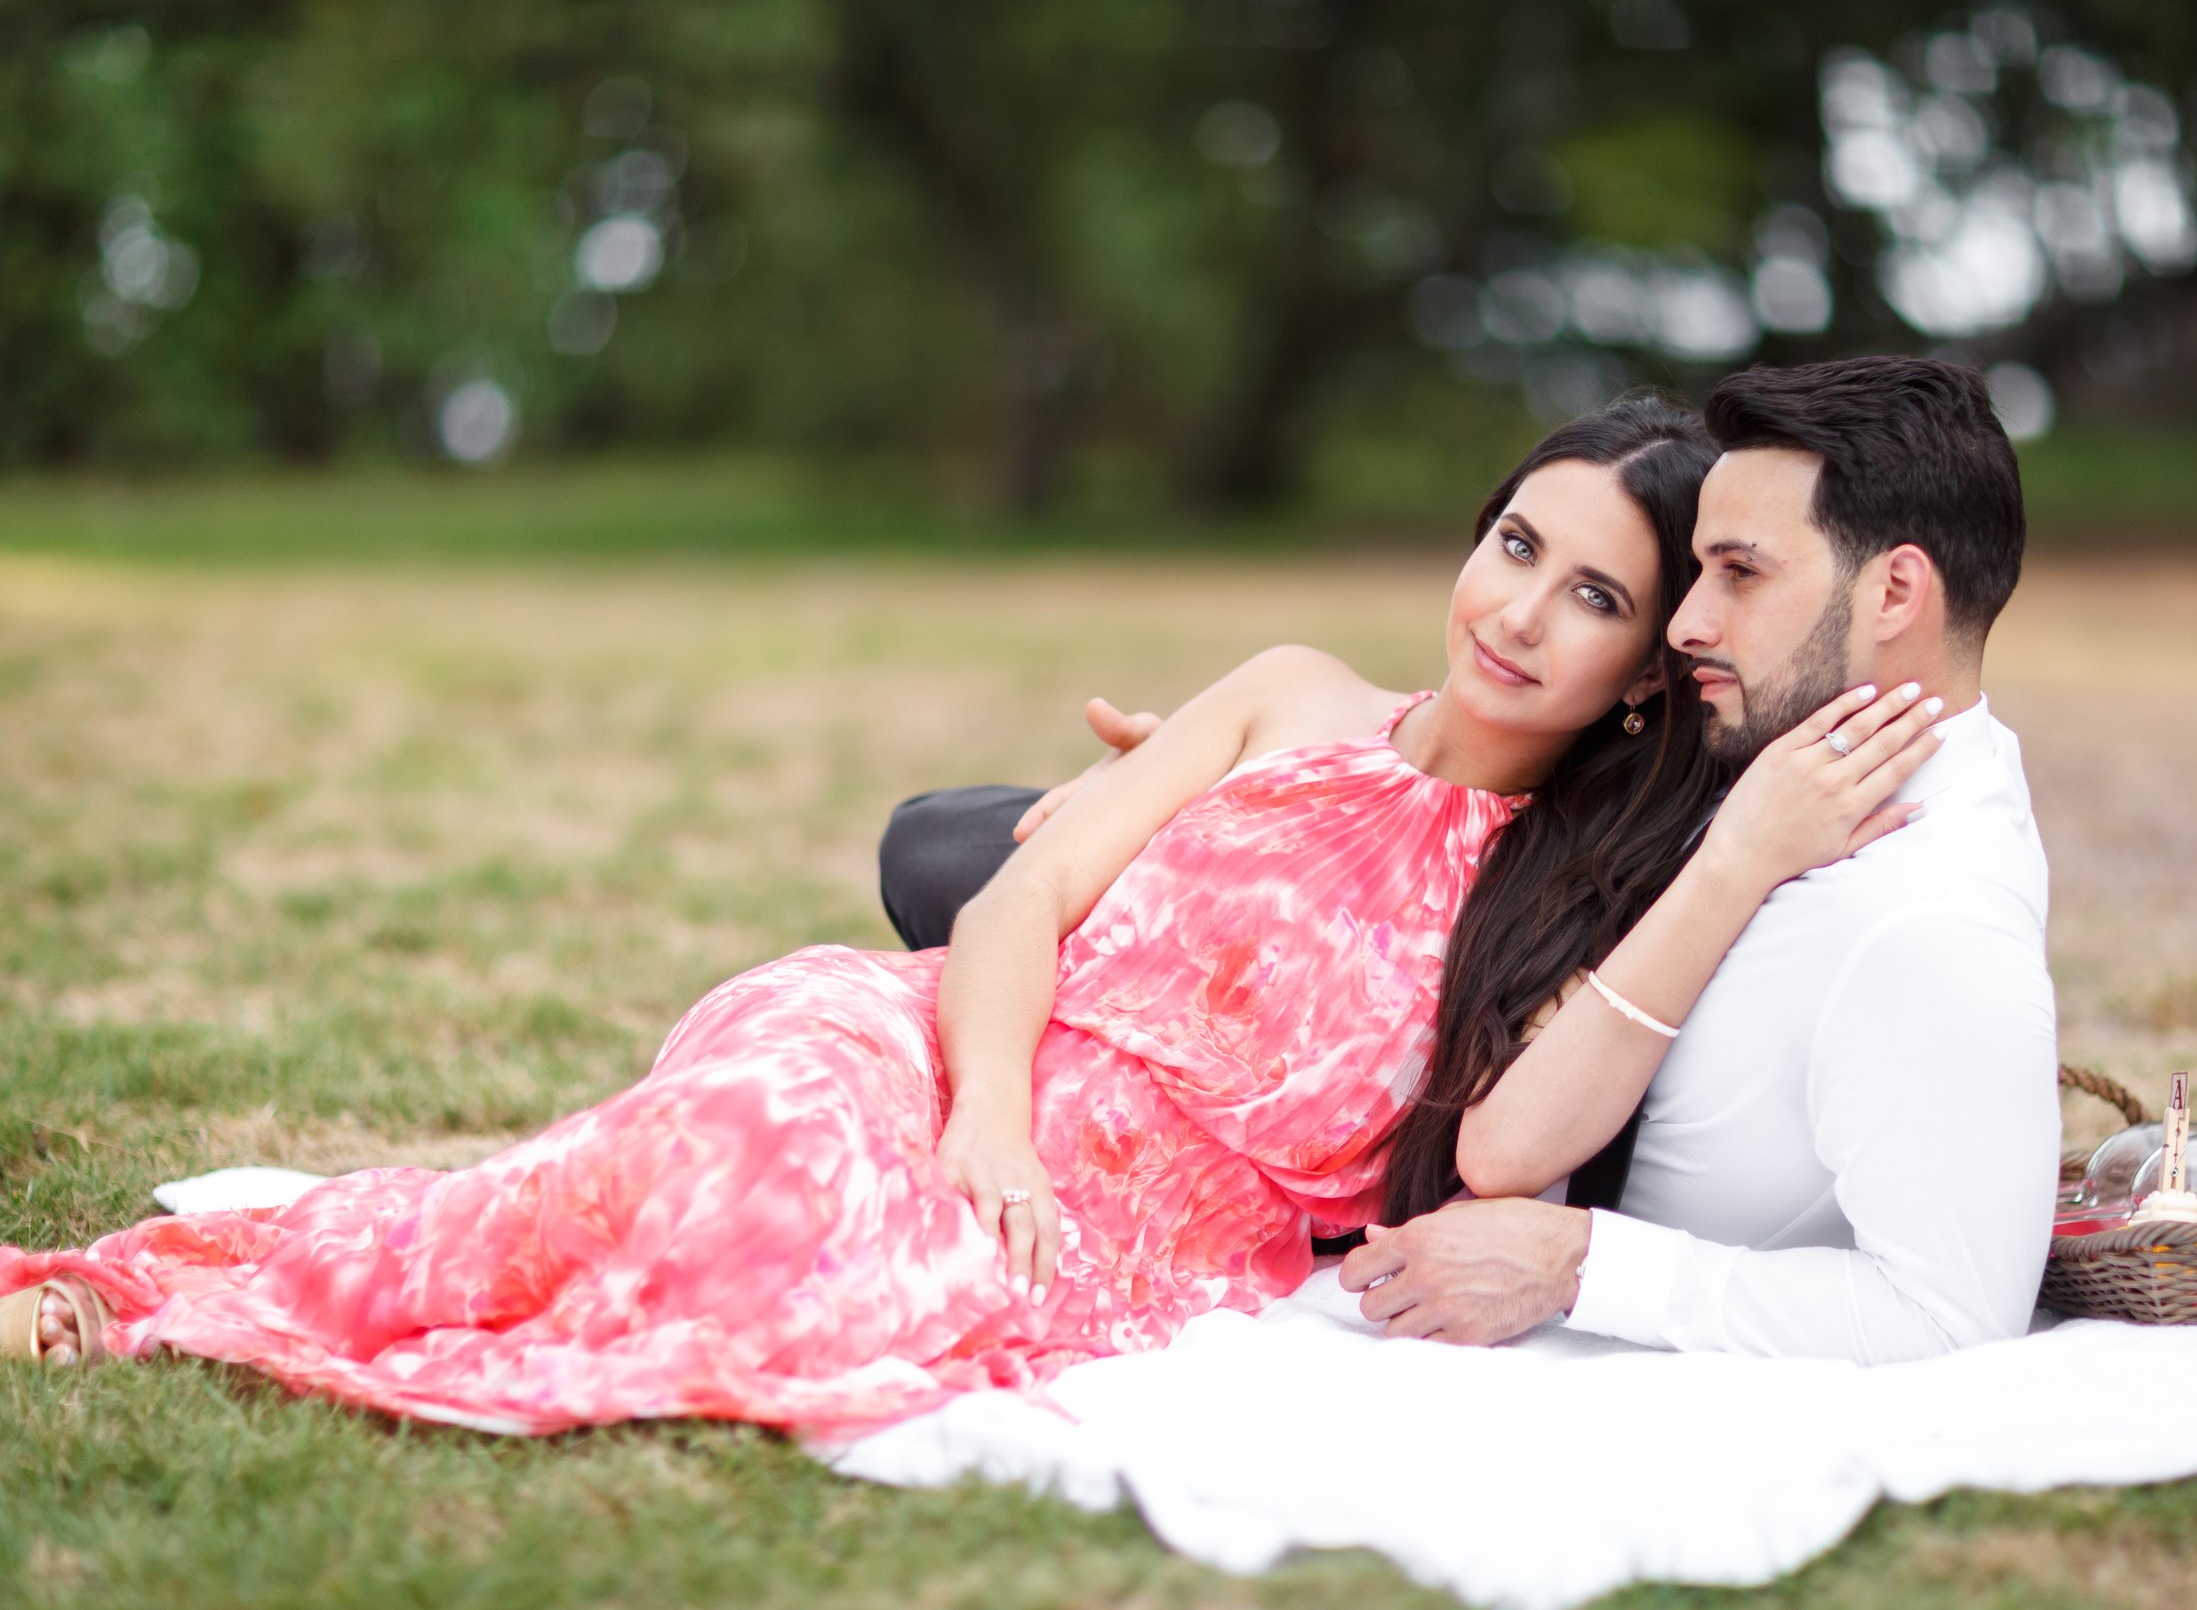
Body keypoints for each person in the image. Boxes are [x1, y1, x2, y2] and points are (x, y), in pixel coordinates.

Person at [0, 393, 1939, 1440]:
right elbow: (1027, 887)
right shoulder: (1287, 692)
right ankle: (168, 1297)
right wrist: (980, 1110)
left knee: (776, 1253)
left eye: (1589, 595)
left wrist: (1744, 849)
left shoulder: (1573, 888)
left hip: (1129, 1212)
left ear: (1631, 668)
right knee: (718, 1131)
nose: (1515, 608)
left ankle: (231, 1313)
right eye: (1510, 541)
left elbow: (1512, 1144)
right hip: (956, 1051)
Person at [887, 357, 2056, 1366]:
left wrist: (1582, 1262)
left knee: (955, 866)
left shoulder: (1920, 913)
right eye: (1693, 576)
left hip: (1414, 1116)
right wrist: (1205, 813)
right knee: (948, 843)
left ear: (1898, 588)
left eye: (1737, 574)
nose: (1691, 621)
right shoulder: (1767, 740)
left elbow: (1950, 1301)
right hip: (1272, 965)